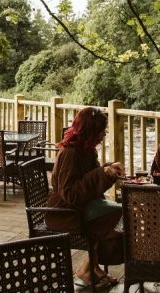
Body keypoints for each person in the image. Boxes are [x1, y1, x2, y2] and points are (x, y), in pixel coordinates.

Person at [45, 107, 124, 289]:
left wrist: (108, 170)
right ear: (89, 132)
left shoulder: (86, 150)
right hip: (64, 212)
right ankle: (85, 269)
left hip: (81, 207)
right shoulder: (70, 154)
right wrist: (102, 173)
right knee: (119, 220)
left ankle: (93, 267)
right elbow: (71, 193)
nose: (103, 135)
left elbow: (90, 179)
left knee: (121, 214)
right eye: (100, 131)